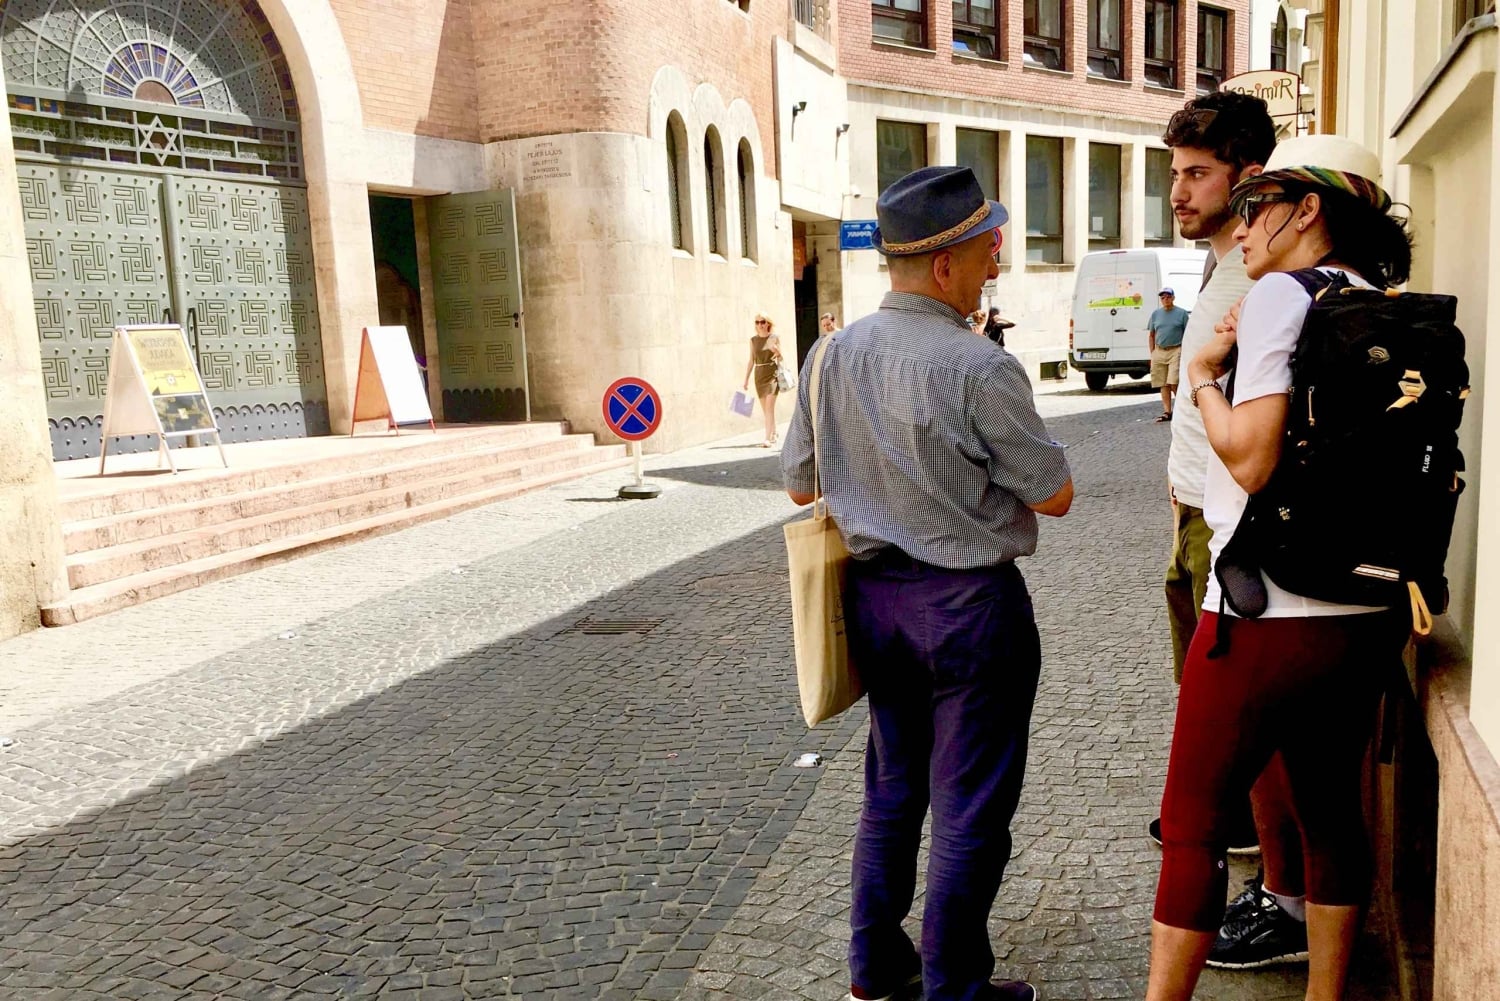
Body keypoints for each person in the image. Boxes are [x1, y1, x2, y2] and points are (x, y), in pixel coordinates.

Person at [782, 166, 1073, 1001]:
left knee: (893, 787)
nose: (996, 264)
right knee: (970, 803)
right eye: (988, 250)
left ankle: (875, 973)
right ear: (944, 264)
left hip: (873, 603)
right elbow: (1054, 494)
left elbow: (802, 484)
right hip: (969, 610)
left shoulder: (829, 352)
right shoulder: (979, 365)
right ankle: (955, 989)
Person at [1146, 135, 1416, 1001]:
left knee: (1191, 826)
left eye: (1261, 202)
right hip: (1363, 613)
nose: (1248, 219)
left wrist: (1201, 378)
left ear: (1310, 212)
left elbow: (1252, 460)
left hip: (1262, 614)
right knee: (1331, 812)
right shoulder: (1381, 300)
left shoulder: (1278, 298)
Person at [1147, 288, 1189, 422]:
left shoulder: (1181, 314)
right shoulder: (1156, 314)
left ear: (1173, 298)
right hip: (1159, 351)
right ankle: (1167, 411)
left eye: (1168, 297)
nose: (1165, 299)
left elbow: (1188, 334)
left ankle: (1183, 409)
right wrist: (1152, 353)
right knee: (1163, 383)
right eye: (1163, 297)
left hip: (1176, 349)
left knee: (1174, 381)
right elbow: (1152, 335)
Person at [742, 314, 782, 447]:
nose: (760, 324)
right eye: (757, 322)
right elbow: (751, 360)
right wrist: (746, 379)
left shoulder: (774, 338)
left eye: (763, 322)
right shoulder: (753, 340)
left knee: (769, 408)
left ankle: (767, 438)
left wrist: (776, 351)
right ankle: (774, 432)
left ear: (768, 323)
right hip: (759, 375)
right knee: (766, 410)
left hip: (772, 374)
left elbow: (780, 358)